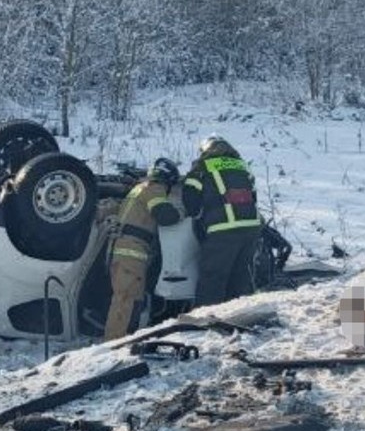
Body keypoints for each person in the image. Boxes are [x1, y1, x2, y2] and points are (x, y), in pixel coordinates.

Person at [104, 157, 182, 340]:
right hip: (131, 252)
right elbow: (166, 215)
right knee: (125, 300)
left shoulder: (138, 189)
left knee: (130, 300)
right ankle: (113, 346)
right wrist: (181, 212)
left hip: (122, 250)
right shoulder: (154, 189)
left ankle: (124, 340)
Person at [183, 135, 262, 307]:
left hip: (224, 229)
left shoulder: (203, 165)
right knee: (240, 276)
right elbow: (253, 196)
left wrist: (196, 214)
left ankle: (206, 321)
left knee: (213, 277)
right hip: (251, 228)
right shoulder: (242, 166)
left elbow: (190, 193)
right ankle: (240, 316)